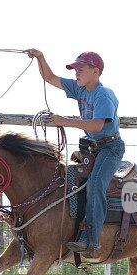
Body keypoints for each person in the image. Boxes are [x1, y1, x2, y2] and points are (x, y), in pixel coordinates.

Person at [26, 49, 124, 256]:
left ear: (95, 71)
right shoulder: (80, 89)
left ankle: (91, 240)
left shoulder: (104, 95)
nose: (76, 73)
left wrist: (64, 121)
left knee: (96, 184)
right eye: (75, 70)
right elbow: (49, 77)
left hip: (110, 149)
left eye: (80, 69)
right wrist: (40, 57)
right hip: (93, 147)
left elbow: (98, 125)